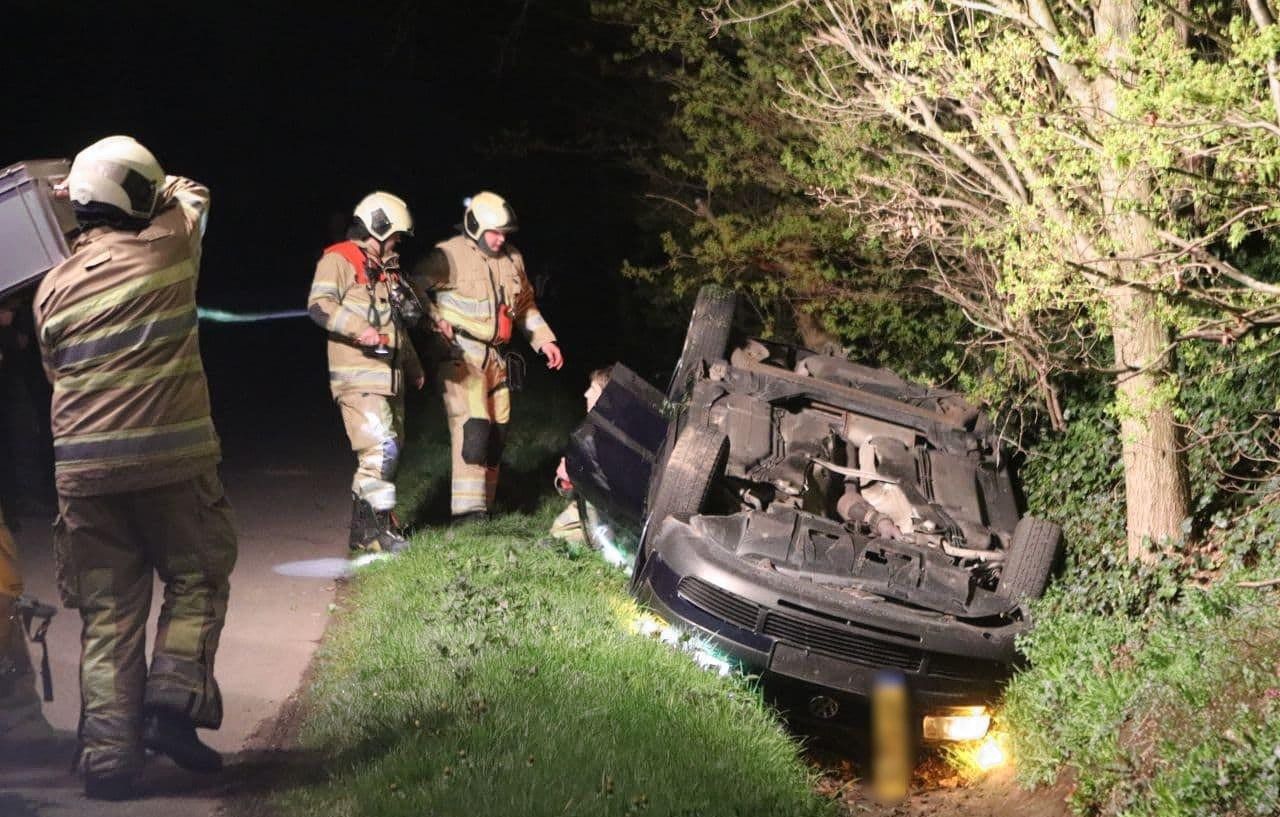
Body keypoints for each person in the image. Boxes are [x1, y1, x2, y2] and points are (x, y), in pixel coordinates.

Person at [33, 135, 237, 799]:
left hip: (84, 478)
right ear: (140, 195)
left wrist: (76, 189)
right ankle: (172, 706)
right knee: (199, 573)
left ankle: (108, 763)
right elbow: (192, 192)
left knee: (108, 614)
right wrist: (128, 176)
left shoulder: (51, 289)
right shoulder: (170, 247)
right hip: (170, 462)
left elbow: (55, 372)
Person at [411, 191, 563, 520]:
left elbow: (524, 307)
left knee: (497, 434)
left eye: (504, 233)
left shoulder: (513, 260)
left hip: (497, 358)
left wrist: (544, 340)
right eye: (494, 233)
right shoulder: (448, 255)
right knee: (474, 430)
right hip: (460, 356)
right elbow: (413, 288)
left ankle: (486, 507)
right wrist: (434, 320)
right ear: (475, 226)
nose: (499, 239)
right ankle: (468, 513)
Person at [308, 192, 424, 553]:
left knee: (388, 451)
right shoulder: (339, 259)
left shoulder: (385, 270)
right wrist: (360, 328)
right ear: (379, 226)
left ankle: (369, 528)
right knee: (380, 450)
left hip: (388, 378)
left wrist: (413, 365)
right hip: (358, 377)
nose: (398, 242)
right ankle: (373, 534)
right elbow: (318, 306)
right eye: (396, 235)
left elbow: (397, 327)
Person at [550, 366, 613, 543]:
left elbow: (607, 484)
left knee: (562, 534)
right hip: (593, 505)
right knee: (559, 529)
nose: (585, 394)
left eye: (592, 390)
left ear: (605, 397)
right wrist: (568, 479)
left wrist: (573, 473)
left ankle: (608, 538)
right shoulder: (590, 431)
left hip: (608, 511)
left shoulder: (611, 437)